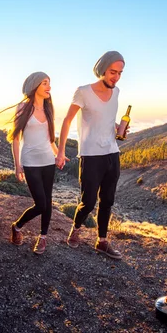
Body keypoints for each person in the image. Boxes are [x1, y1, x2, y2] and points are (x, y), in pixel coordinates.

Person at [55, 51, 127, 260]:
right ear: (102, 69)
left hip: (112, 153)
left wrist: (118, 129)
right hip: (91, 154)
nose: (116, 77)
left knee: (107, 200)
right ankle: (76, 229)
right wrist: (60, 151)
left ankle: (102, 241)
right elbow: (67, 120)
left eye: (120, 73)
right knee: (88, 201)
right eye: (113, 72)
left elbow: (107, 119)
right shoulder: (83, 92)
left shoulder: (117, 92)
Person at [7, 72, 58, 254]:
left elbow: (50, 138)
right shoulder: (23, 107)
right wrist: (17, 164)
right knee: (41, 204)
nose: (49, 87)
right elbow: (15, 138)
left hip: (48, 161)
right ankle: (17, 225)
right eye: (45, 83)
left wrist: (58, 154)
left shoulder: (49, 109)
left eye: (49, 83)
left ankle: (42, 238)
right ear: (34, 86)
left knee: (48, 201)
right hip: (30, 161)